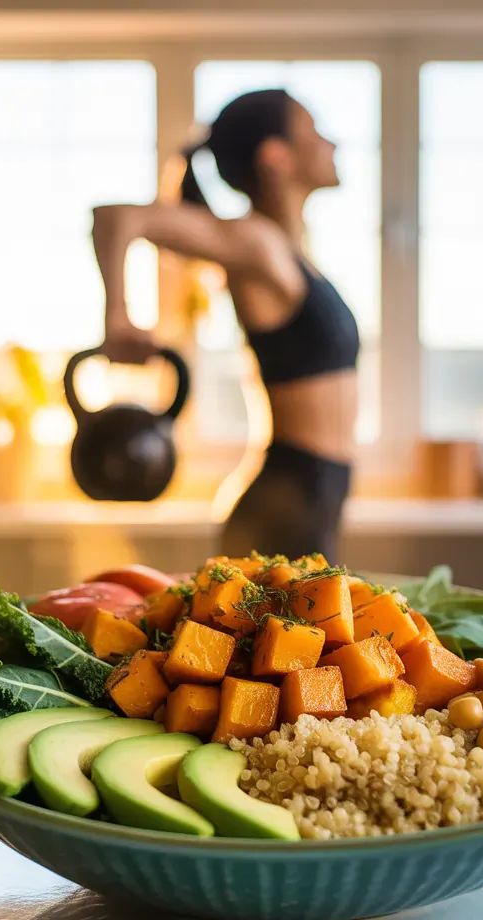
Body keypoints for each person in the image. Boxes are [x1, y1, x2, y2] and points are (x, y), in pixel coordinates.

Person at [91, 89, 359, 564]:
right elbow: (117, 218)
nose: (332, 143)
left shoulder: (288, 252)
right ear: (276, 156)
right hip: (288, 500)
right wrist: (117, 318)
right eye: (313, 130)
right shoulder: (257, 243)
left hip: (310, 496)